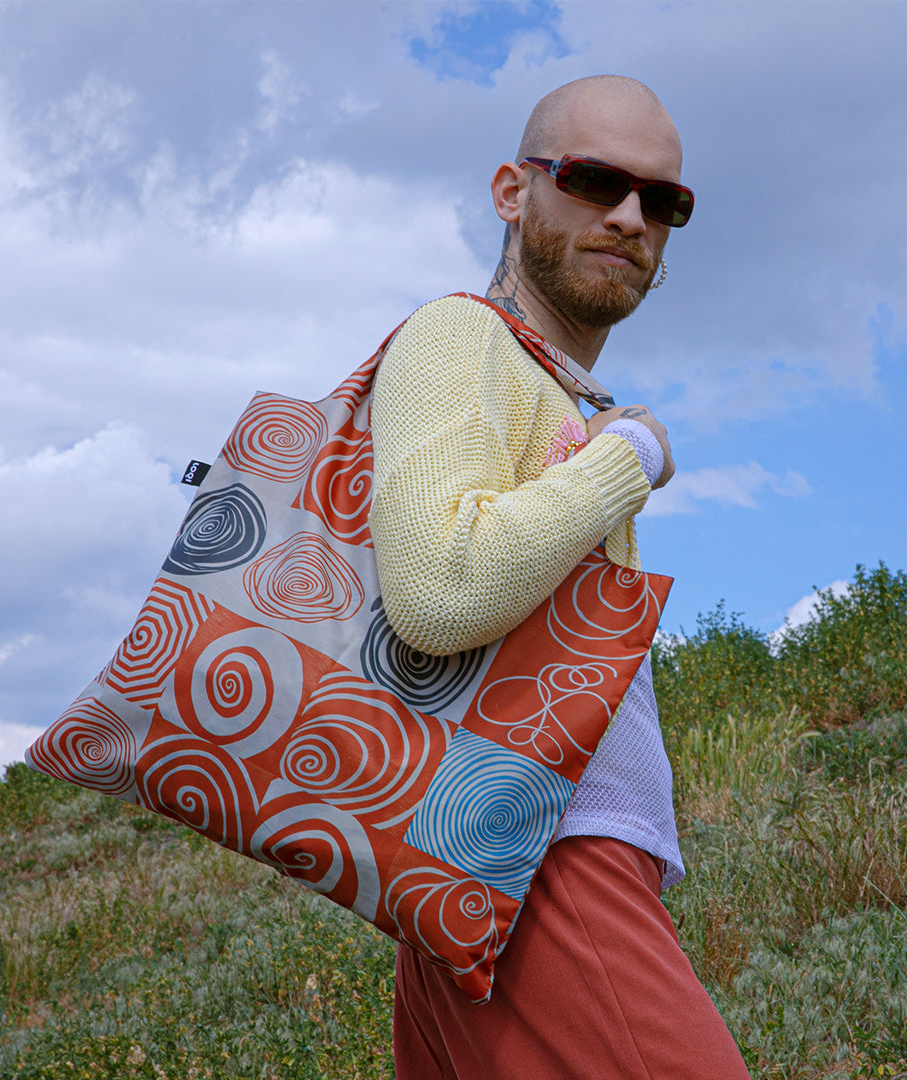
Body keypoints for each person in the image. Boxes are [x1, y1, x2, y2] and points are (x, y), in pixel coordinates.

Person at [368, 75, 751, 1080]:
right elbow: (438, 591)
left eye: (663, 202)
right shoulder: (461, 338)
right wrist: (629, 459)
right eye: (591, 180)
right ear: (511, 190)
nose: (630, 218)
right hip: (542, 863)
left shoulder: (548, 388)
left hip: (484, 870)